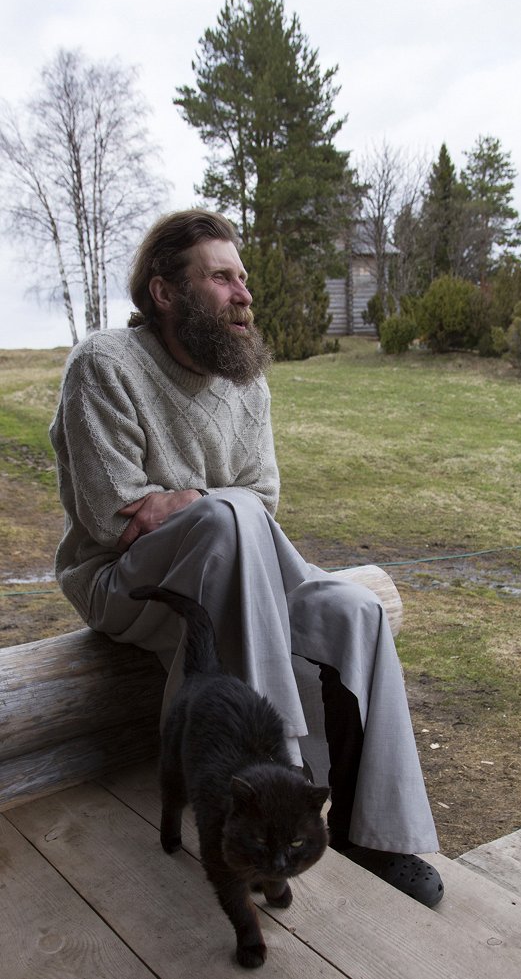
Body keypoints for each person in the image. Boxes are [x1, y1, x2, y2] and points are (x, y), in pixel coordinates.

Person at [49, 209, 443, 908]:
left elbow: (263, 499)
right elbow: (115, 515)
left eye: (245, 280)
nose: (244, 294)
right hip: (127, 586)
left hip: (239, 565)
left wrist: (191, 499)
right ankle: (266, 801)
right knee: (230, 519)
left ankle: (374, 832)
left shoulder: (246, 383)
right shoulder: (105, 364)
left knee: (353, 609)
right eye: (222, 277)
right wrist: (214, 507)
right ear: (167, 291)